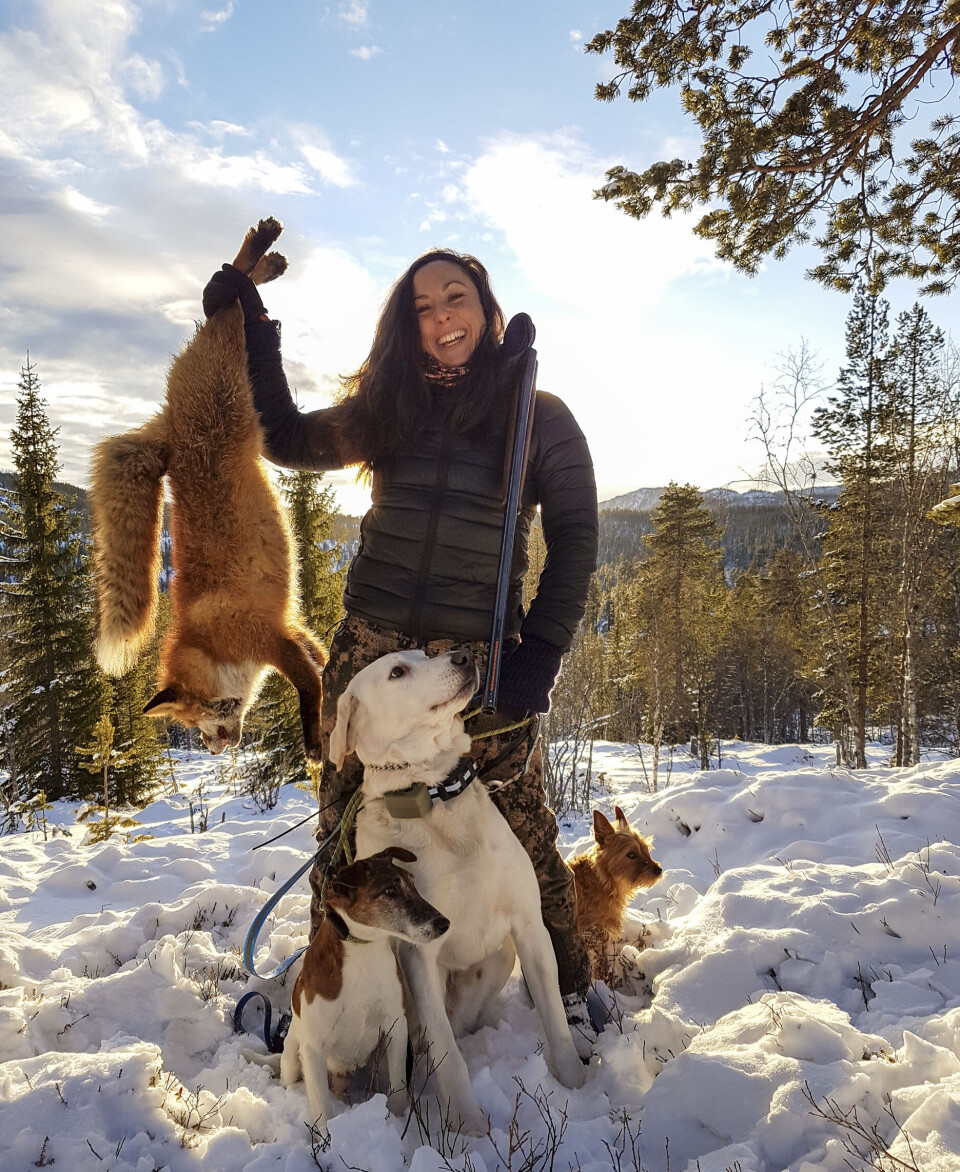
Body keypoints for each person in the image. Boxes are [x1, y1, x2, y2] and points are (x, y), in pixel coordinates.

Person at [203, 248, 599, 1047]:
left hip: (474, 664)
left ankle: (574, 991)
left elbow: (578, 539)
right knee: (349, 826)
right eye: (422, 305)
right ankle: (329, 1000)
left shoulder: (539, 416)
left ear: (488, 313)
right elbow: (284, 436)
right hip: (372, 652)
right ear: (407, 327)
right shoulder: (391, 408)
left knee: (519, 824)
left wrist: (541, 656)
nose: (441, 315)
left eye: (456, 297)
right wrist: (253, 330)